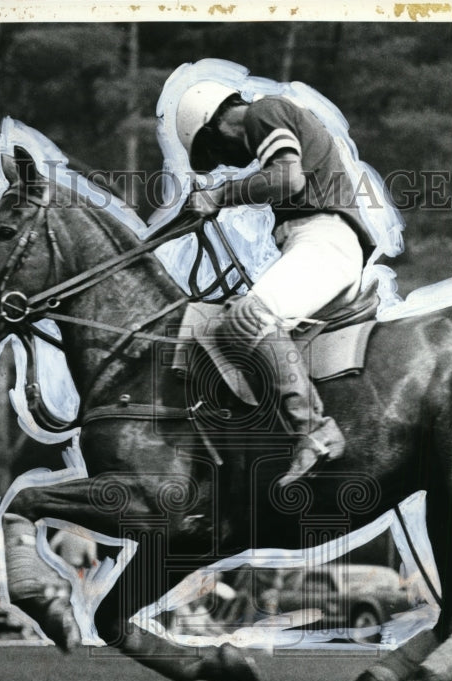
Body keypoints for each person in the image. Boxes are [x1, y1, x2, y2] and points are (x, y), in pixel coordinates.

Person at [172, 73, 387, 485]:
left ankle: (313, 433)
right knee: (237, 323)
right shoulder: (270, 123)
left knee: (246, 318)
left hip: (325, 238)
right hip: (317, 241)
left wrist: (218, 196)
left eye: (211, 150)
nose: (221, 162)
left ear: (215, 123)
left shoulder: (264, 111)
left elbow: (289, 179)